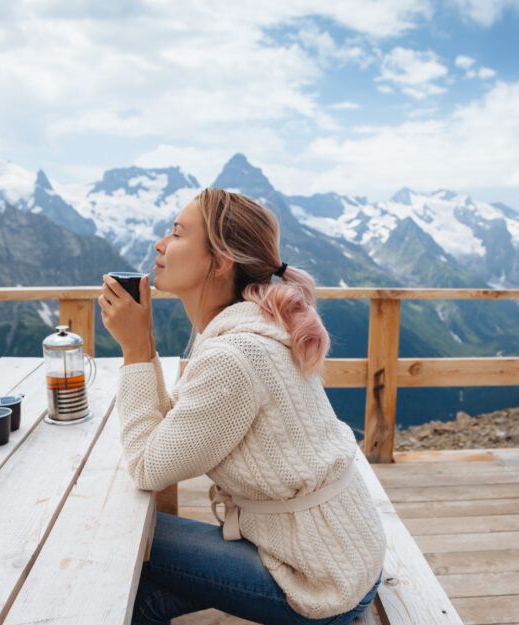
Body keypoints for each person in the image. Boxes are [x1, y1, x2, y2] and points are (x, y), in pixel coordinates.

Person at [99, 188, 386, 625]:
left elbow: (145, 466)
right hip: (342, 551)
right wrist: (144, 344)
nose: (159, 245)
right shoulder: (252, 329)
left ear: (220, 260)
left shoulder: (233, 358)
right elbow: (175, 419)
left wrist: (136, 349)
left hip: (319, 579)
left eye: (177, 234)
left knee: (118, 531)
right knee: (141, 598)